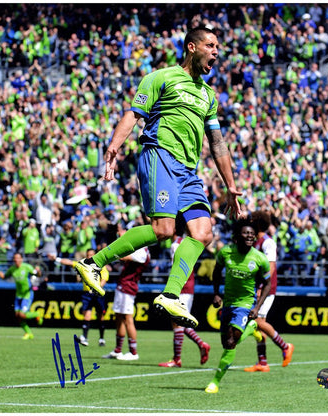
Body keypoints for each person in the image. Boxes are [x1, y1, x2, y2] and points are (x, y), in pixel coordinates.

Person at [74, 26, 242, 329]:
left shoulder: (208, 95)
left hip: (188, 171)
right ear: (192, 47)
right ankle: (92, 263)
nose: (216, 51)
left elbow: (217, 142)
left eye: (218, 46)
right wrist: (114, 146)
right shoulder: (160, 78)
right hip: (160, 155)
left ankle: (170, 295)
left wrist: (230, 185)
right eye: (210, 45)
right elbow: (133, 114)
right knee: (163, 230)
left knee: (203, 232)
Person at [205, 218, 271, 394]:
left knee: (231, 341)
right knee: (225, 342)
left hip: (245, 303)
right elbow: (217, 271)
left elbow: (268, 283)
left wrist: (257, 308)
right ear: (237, 236)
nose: (249, 235)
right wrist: (216, 293)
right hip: (228, 302)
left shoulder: (259, 258)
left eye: (252, 233)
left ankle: (215, 382)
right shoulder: (225, 252)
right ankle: (251, 328)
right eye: (246, 232)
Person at [243, 211, 294, 373]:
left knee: (257, 321)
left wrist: (260, 288)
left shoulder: (268, 242)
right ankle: (262, 362)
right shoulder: (255, 242)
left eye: (252, 220)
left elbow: (271, 267)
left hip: (266, 288)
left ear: (258, 223)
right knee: (259, 324)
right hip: (257, 287)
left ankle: (285, 346)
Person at [158, 218, 211, 368]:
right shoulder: (188, 242)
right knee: (179, 320)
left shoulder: (176, 245)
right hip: (189, 285)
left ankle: (178, 359)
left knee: (177, 321)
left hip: (181, 286)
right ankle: (198, 346)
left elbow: (178, 266)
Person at [102, 234, 150, 361]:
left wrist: (111, 252)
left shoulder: (142, 252)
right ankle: (118, 350)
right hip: (123, 285)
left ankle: (133, 352)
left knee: (128, 319)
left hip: (128, 287)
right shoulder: (140, 249)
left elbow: (123, 256)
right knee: (119, 317)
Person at [52, 249, 110, 347]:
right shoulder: (84, 265)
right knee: (87, 315)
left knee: (100, 317)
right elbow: (70, 263)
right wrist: (57, 259)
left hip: (97, 294)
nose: (89, 257)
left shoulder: (101, 267)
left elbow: (104, 279)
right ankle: (85, 338)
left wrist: (97, 287)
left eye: (91, 255)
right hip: (87, 294)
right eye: (88, 255)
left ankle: (101, 339)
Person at [0, 252, 43, 339]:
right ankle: (29, 333)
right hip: (18, 295)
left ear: (21, 259)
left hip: (27, 294)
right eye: (15, 258)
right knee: (18, 316)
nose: (16, 260)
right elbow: (4, 277)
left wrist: (38, 271)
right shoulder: (12, 269)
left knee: (22, 315)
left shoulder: (27, 267)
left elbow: (38, 274)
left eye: (18, 258)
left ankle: (37, 314)